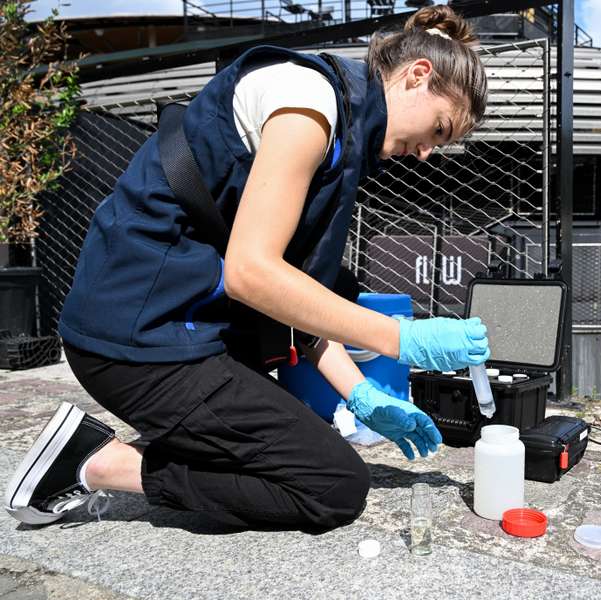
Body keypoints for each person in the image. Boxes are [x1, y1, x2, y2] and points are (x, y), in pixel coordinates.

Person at [4, 5, 489, 531]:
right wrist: (401, 339)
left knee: (291, 448)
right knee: (332, 486)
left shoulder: (342, 123)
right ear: (418, 75)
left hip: (168, 328)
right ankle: (97, 465)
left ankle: (161, 440)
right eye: (440, 129)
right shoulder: (310, 105)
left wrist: (362, 394)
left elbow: (291, 297)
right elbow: (251, 274)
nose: (426, 153)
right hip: (136, 341)